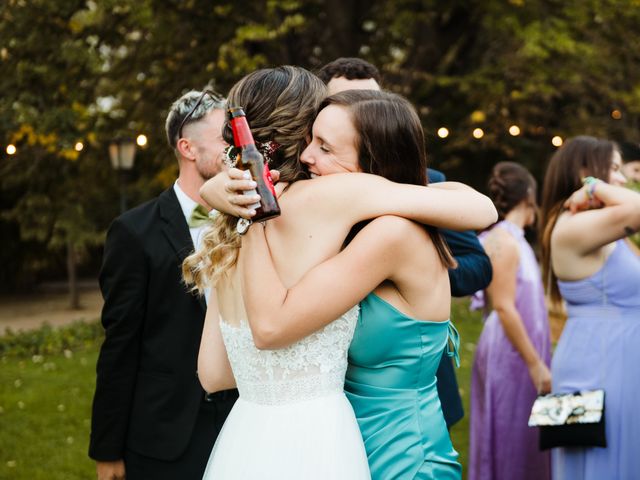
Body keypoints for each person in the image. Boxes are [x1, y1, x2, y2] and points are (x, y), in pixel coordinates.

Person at [184, 67, 497, 479]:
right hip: (331, 440)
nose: (311, 156)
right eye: (311, 140)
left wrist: (223, 193)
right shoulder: (338, 214)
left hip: (382, 452)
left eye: (327, 146)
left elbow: (217, 372)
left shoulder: (377, 225)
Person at [317, 56, 492, 428]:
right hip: (331, 395)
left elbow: (479, 265)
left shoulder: (424, 184)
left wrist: (416, 277)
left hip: (405, 383)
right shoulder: (314, 182)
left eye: (371, 103)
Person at [89, 90, 238, 480]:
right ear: (187, 147)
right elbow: (120, 346)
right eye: (225, 138)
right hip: (166, 438)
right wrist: (108, 450)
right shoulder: (134, 233)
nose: (234, 147)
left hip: (242, 424)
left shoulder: (249, 222)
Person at [540, 135, 640, 480]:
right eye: (613, 168)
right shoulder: (573, 226)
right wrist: (595, 187)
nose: (623, 178)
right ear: (584, 171)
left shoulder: (603, 231)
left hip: (618, 356)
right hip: (603, 362)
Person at [468, 162, 551, 480]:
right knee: (507, 432)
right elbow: (504, 307)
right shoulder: (502, 242)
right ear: (529, 195)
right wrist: (535, 363)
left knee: (526, 436)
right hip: (510, 352)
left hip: (524, 348)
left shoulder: (517, 240)